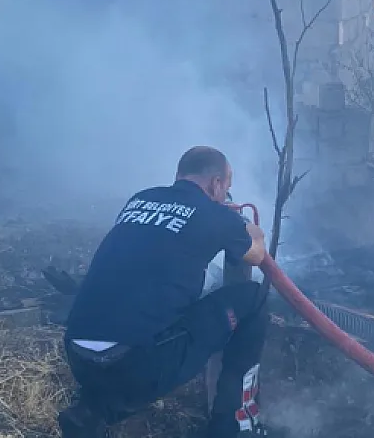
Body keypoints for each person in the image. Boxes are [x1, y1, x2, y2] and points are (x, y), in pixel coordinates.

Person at [57, 146, 269, 438]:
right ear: (216, 183)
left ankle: (93, 411)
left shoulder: (140, 199)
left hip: (78, 356)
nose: (225, 194)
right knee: (253, 298)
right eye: (226, 187)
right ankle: (234, 426)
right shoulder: (216, 214)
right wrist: (248, 226)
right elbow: (257, 255)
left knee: (139, 324)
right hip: (137, 364)